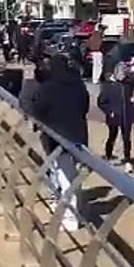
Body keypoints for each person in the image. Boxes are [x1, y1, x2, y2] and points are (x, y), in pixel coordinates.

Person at [30, 55, 91, 230]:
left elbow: (38, 109)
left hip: (57, 139)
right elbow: (85, 106)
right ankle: (72, 210)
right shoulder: (78, 85)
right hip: (78, 135)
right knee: (73, 177)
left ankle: (71, 218)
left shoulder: (49, 87)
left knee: (64, 177)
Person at [98, 63, 134, 172]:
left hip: (126, 116)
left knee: (127, 139)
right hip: (113, 117)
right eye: (120, 73)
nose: (122, 75)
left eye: (124, 73)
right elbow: (101, 102)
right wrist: (109, 111)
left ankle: (127, 160)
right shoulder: (109, 86)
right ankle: (108, 155)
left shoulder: (128, 86)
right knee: (112, 136)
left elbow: (131, 100)